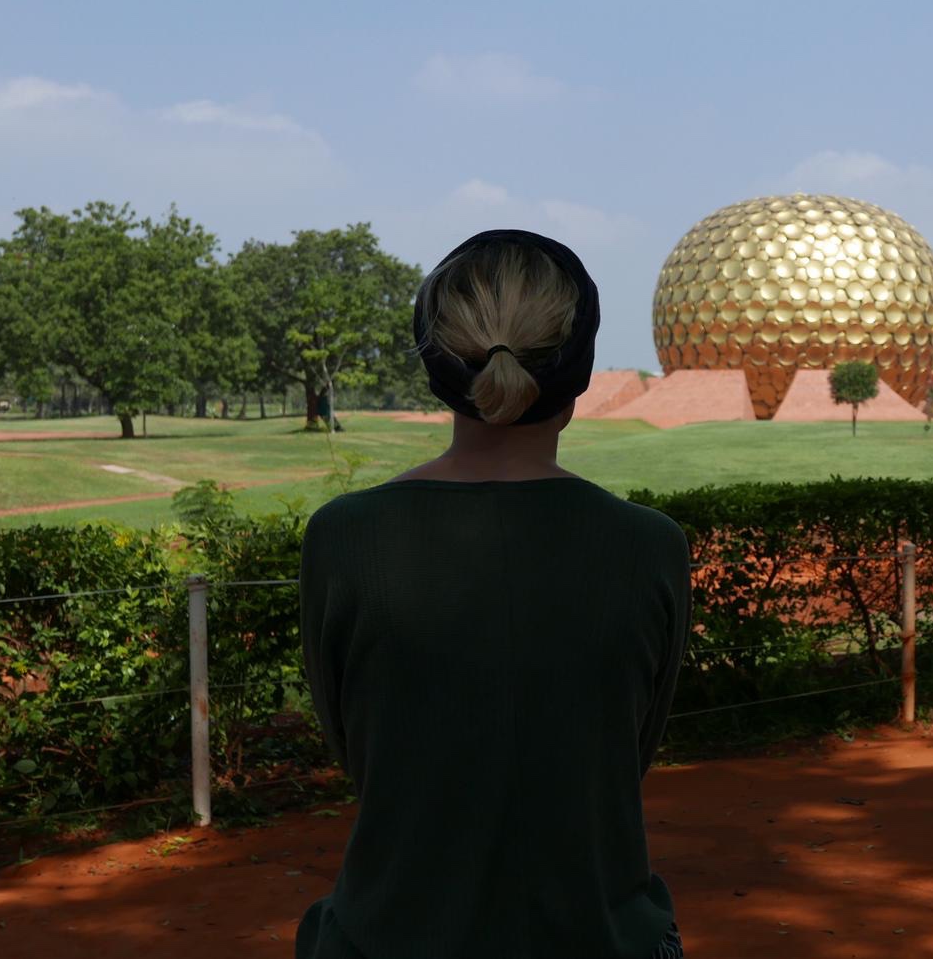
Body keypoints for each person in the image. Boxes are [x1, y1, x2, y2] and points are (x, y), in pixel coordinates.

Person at [295, 229, 691, 959]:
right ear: (578, 372)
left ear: (439, 369)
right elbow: (626, 752)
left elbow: (361, 753)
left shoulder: (344, 539)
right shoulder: (650, 547)